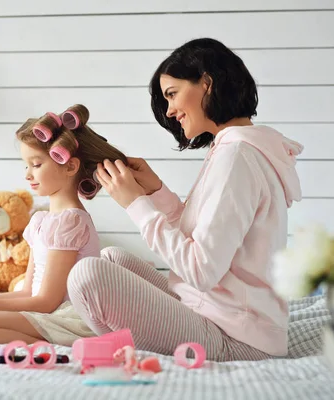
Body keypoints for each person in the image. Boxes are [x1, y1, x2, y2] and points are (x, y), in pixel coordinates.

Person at [66, 38, 304, 361]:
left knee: (87, 276)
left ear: (206, 83)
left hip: (237, 337)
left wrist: (136, 205)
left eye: (172, 94)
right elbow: (203, 241)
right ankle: (123, 346)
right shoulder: (234, 148)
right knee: (111, 258)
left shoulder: (237, 156)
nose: (170, 110)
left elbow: (201, 270)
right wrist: (155, 192)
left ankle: (120, 351)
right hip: (215, 311)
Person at [0, 104, 128, 346]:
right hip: (41, 310)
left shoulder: (70, 222)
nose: (28, 175)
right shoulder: (41, 220)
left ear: (70, 166)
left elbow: (46, 302)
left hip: (65, 317)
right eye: (26, 165)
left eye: (37, 165)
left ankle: (59, 343)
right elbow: (26, 293)